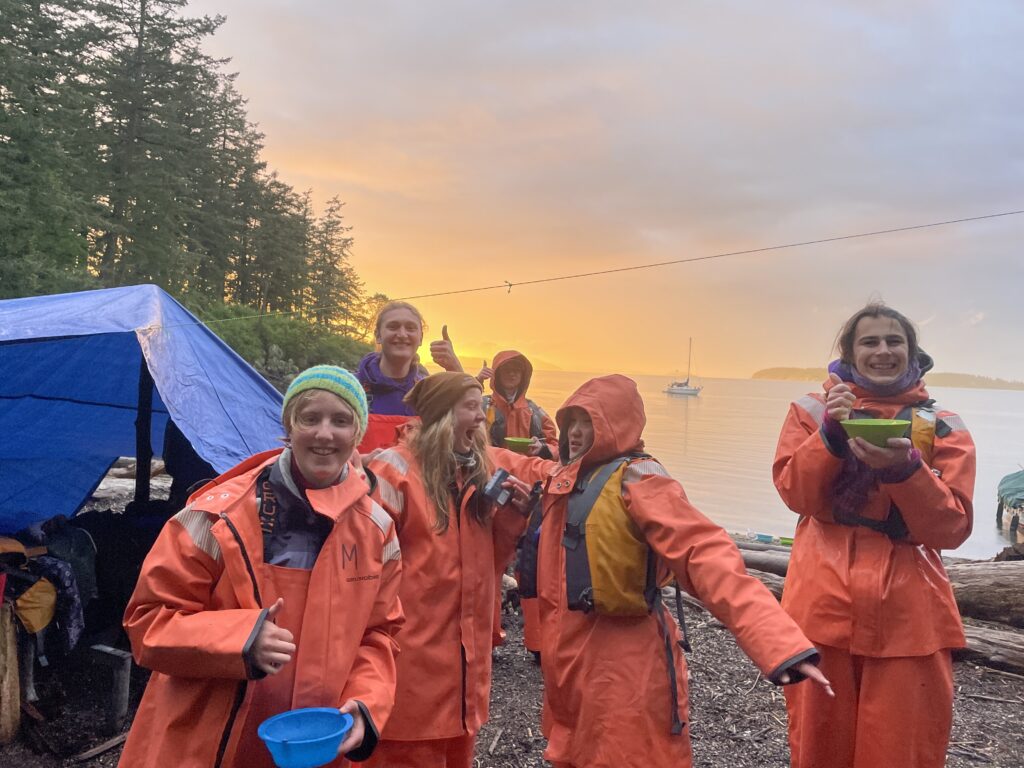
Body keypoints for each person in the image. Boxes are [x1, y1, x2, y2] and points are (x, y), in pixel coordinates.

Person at [531, 374, 832, 768]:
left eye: (588, 422)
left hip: (624, 662)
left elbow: (704, 553)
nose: (575, 432)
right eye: (572, 421)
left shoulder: (639, 481)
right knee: (570, 749)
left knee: (627, 754)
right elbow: (517, 464)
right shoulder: (565, 478)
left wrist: (780, 645)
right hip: (569, 656)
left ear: (617, 425)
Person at [119, 366, 404, 768]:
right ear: (288, 426)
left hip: (318, 746)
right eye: (310, 418)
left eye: (341, 421)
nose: (325, 434)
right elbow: (147, 622)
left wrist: (366, 703)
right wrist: (239, 640)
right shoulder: (215, 516)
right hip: (208, 746)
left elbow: (381, 634)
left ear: (357, 435)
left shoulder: (378, 529)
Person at [773, 303, 976, 768]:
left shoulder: (942, 423)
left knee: (899, 753)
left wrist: (906, 472)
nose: (882, 351)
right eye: (869, 342)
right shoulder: (811, 409)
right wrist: (828, 436)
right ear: (848, 352)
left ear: (912, 352)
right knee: (819, 749)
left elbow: (951, 528)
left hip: (911, 621)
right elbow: (795, 494)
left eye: (893, 341)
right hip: (821, 608)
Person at [364, 372, 543, 768]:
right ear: (442, 415)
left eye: (481, 406)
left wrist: (514, 517)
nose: (482, 417)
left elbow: (488, 565)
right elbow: (362, 571)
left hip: (464, 675)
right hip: (411, 670)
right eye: (471, 406)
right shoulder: (394, 471)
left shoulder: (471, 474)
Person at [476, 350, 557, 652]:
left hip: (527, 493)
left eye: (517, 370)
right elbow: (459, 428)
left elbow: (561, 446)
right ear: (495, 374)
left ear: (525, 376)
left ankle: (537, 641)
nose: (512, 374)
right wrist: (472, 381)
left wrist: (543, 448)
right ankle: (489, 635)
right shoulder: (482, 407)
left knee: (531, 561)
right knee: (488, 564)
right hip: (488, 488)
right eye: (507, 369)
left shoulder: (536, 412)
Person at [356, 301, 464, 452]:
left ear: (420, 338)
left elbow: (466, 431)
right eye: (393, 326)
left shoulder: (429, 393)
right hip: (362, 475)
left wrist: (456, 370)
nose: (402, 334)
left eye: (410, 328)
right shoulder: (352, 389)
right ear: (378, 336)